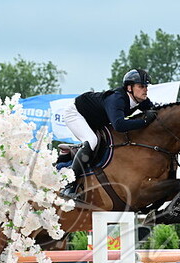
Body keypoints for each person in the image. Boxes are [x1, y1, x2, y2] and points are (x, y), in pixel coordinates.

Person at [61, 69, 158, 198]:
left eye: (146, 86)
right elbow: (119, 125)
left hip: (95, 119)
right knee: (92, 141)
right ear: (129, 88)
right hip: (76, 113)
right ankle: (69, 185)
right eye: (141, 86)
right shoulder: (116, 99)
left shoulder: (142, 100)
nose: (145, 90)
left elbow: (155, 111)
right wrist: (144, 121)